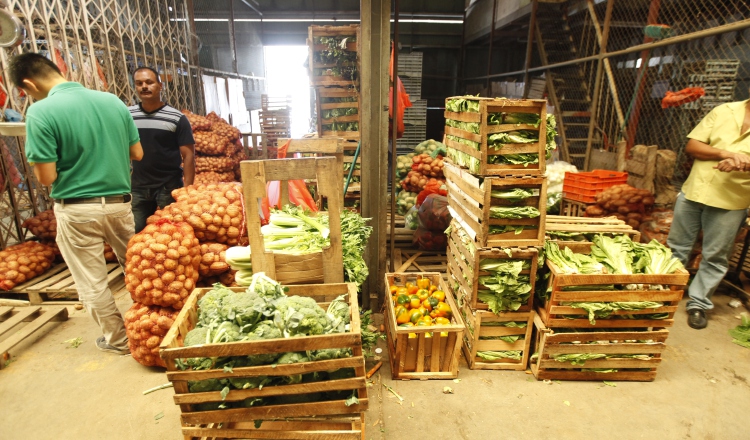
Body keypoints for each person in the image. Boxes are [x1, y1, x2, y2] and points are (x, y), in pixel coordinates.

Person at [10, 53, 143, 354]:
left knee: (92, 279)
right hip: (120, 204)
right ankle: (150, 325)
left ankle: (120, 341)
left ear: (29, 84)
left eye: (25, 92)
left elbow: (46, 176)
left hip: (78, 209)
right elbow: (137, 153)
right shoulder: (113, 102)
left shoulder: (41, 112)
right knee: (137, 268)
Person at [667, 98, 750, 330]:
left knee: (715, 256)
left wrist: (744, 163)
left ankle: (698, 304)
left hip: (731, 199)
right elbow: (693, 147)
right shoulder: (724, 110)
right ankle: (666, 293)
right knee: (677, 247)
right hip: (695, 190)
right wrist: (725, 153)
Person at [129, 67, 195, 232]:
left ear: (160, 85)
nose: (144, 86)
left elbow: (188, 155)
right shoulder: (127, 116)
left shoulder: (177, 118)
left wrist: (186, 188)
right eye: (139, 83)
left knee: (171, 232)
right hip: (137, 186)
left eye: (149, 82)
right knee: (136, 231)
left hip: (168, 185)